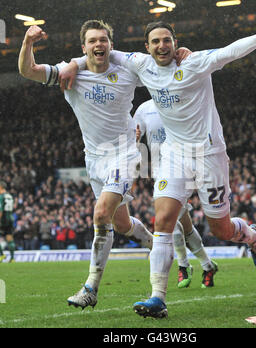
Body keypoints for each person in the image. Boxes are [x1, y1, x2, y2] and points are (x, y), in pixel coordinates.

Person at [62, 21, 256, 319]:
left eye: (166, 40)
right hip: (175, 154)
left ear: (174, 42)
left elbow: (227, 53)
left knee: (221, 228)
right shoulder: (141, 64)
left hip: (209, 154)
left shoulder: (194, 62)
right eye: (155, 42)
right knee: (164, 220)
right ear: (147, 47)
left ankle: (250, 235)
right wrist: (72, 65)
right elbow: (105, 51)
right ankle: (158, 297)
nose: (161, 46)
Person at [18, 20, 155, 310]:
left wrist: (181, 54)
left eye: (103, 40)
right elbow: (27, 71)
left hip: (124, 154)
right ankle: (158, 246)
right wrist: (28, 42)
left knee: (101, 213)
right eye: (92, 41)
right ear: (84, 47)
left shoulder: (126, 70)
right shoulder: (72, 74)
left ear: (110, 44)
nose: (98, 45)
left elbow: (159, 67)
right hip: (93, 159)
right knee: (122, 224)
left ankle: (90, 287)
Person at [134, 99, 218, 289]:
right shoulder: (144, 108)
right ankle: (207, 265)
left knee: (170, 220)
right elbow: (133, 137)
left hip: (182, 168)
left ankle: (184, 265)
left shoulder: (180, 99)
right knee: (183, 224)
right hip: (160, 172)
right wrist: (135, 138)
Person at [0, 181, 16, 263]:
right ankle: (12, 258)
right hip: (10, 218)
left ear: (1, 187)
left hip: (3, 219)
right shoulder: (9, 195)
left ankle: (1, 254)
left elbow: (1, 210)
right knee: (10, 239)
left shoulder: (1, 196)